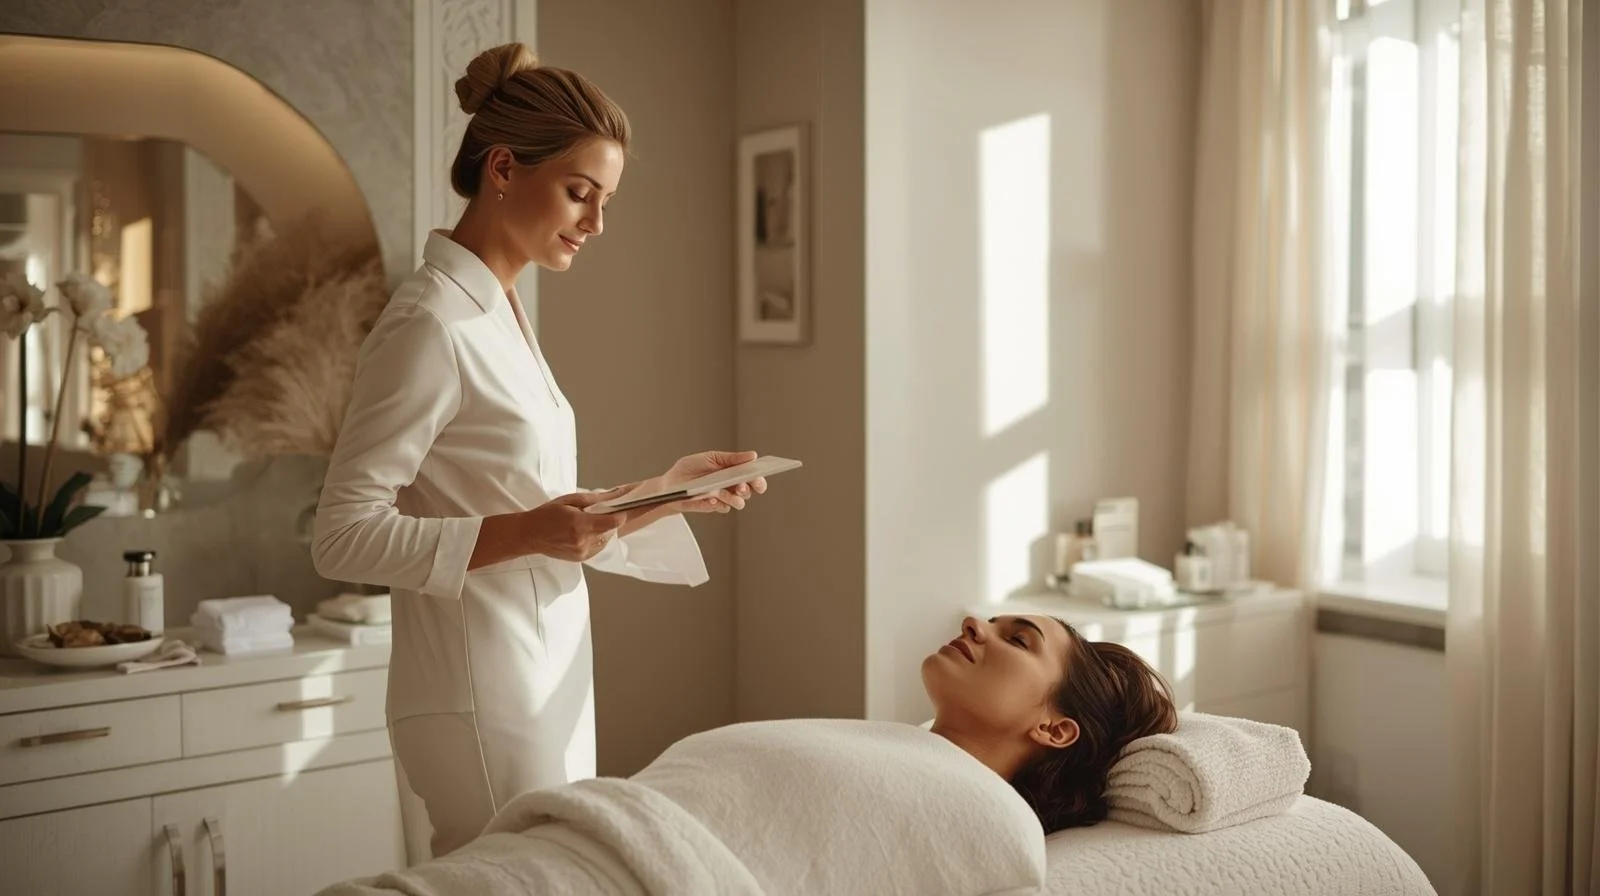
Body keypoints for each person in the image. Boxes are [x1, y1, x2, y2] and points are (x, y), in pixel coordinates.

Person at [311, 41, 767, 858]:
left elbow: (525, 498)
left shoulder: (501, 315)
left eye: (606, 200)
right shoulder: (430, 325)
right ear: (503, 168)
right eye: (579, 193)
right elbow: (342, 532)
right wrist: (526, 533)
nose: (596, 224)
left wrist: (664, 493)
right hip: (478, 696)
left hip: (543, 672)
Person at [922, 613, 1179, 833]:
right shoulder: (902, 761)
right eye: (991, 622)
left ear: (1053, 729)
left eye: (1018, 640)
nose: (971, 623)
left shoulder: (979, 829)